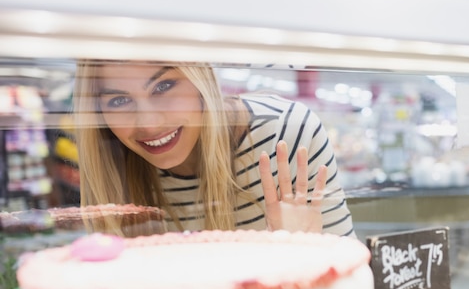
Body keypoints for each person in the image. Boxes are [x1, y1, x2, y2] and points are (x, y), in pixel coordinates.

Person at [72, 60, 355, 237]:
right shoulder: (112, 165)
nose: (149, 123)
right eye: (119, 102)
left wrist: (306, 255)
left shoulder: (286, 132)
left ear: (200, 79)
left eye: (164, 86)